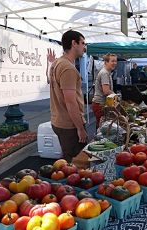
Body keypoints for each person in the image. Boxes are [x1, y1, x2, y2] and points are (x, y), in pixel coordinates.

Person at [49, 30, 87, 161]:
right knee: (77, 164)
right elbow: (70, 102)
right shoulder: (68, 68)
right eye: (82, 43)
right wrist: (80, 128)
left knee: (68, 162)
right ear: (74, 43)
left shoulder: (57, 63)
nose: (84, 47)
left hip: (59, 120)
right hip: (69, 124)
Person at [91, 53, 117, 128]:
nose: (114, 63)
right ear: (106, 62)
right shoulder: (104, 73)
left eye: (115, 61)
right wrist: (116, 96)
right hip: (100, 104)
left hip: (101, 104)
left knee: (101, 126)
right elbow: (106, 91)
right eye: (112, 61)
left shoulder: (107, 72)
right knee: (102, 128)